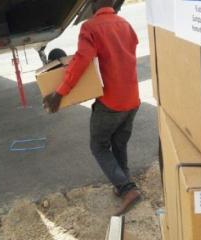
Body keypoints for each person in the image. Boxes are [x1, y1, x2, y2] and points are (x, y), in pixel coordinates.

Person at [43, 0, 141, 216]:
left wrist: (60, 93)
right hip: (133, 100)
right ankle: (122, 183)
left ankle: (127, 189)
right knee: (119, 142)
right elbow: (127, 52)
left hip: (111, 103)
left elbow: (81, 61)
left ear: (94, 3)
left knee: (98, 146)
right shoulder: (125, 24)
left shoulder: (91, 27)